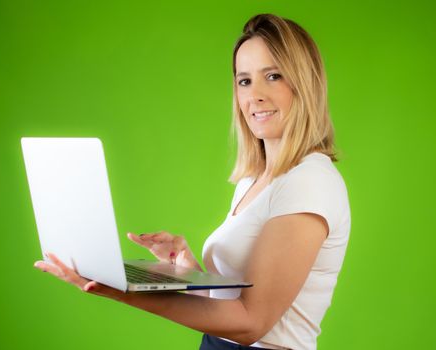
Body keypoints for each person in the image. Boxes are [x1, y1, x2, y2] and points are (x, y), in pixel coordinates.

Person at [34, 13, 351, 350]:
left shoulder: (309, 182)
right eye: (244, 80)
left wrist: (123, 292)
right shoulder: (255, 180)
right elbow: (235, 302)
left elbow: (251, 324)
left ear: (305, 83)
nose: (253, 96)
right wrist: (189, 270)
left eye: (272, 76)